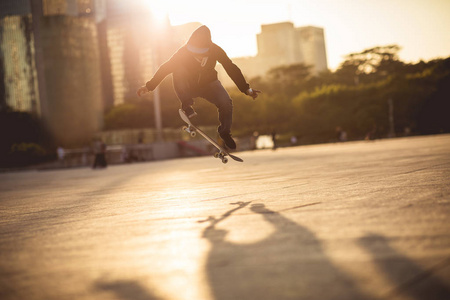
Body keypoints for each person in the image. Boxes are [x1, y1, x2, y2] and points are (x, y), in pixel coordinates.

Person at [137, 25, 261, 149]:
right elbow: (166, 68)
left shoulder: (216, 50)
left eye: (201, 54)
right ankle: (187, 105)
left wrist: (246, 89)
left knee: (226, 103)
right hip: (188, 86)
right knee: (178, 71)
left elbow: (231, 68)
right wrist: (149, 86)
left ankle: (224, 132)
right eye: (195, 53)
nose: (198, 56)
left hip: (209, 85)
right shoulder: (183, 52)